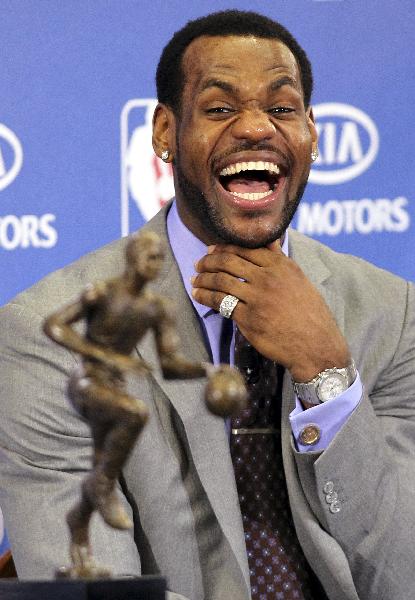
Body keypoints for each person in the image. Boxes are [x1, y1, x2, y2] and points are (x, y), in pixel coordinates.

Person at [0, 9, 413, 600]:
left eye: (281, 108)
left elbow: (404, 570)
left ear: (312, 134)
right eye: (220, 108)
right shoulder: (46, 336)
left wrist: (327, 375)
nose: (254, 129)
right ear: (165, 133)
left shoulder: (393, 313)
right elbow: (97, 592)